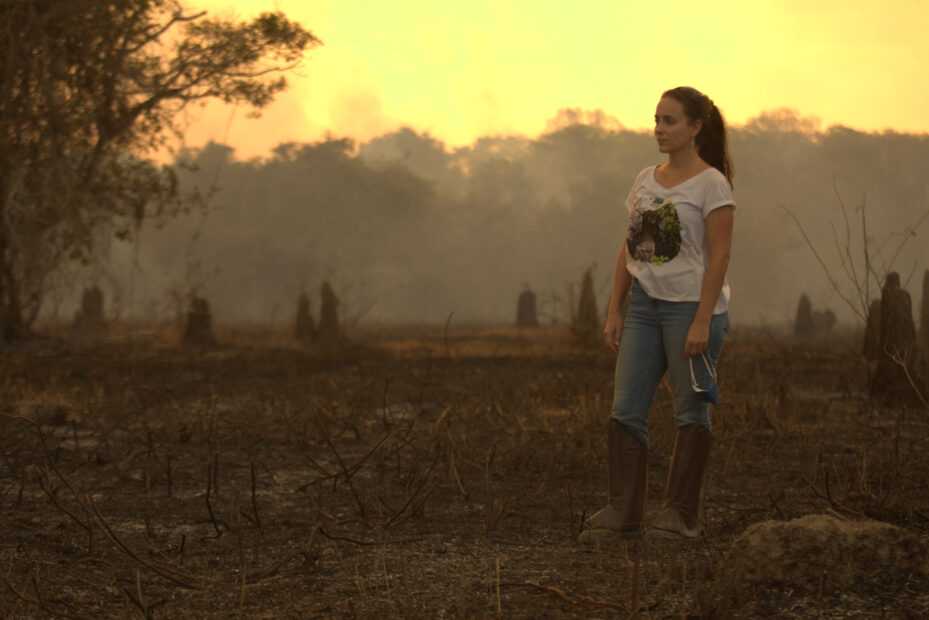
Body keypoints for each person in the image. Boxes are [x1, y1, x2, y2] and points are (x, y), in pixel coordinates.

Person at [578, 86, 735, 543]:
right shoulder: (646, 178)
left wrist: (704, 320)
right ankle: (623, 512)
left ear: (695, 127)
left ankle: (682, 517)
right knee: (626, 408)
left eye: (670, 121)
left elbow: (720, 257)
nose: (660, 130)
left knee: (691, 409)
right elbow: (628, 248)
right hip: (645, 308)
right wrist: (615, 311)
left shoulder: (711, 184)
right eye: (657, 120)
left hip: (691, 309)